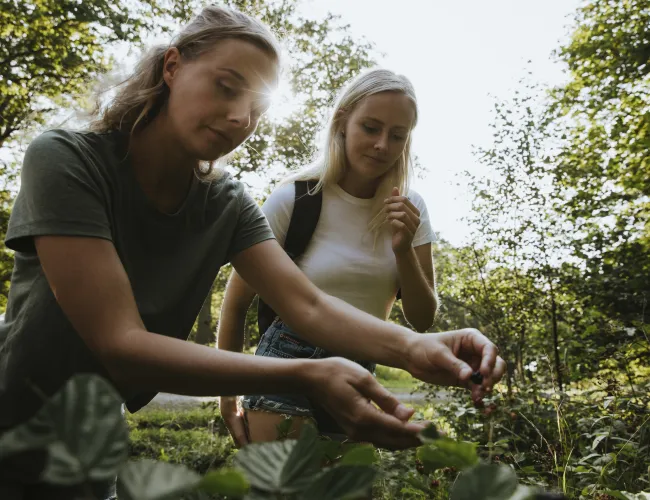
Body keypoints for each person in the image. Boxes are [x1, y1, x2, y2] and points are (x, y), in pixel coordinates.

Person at [0, 5, 504, 499]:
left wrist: (415, 347)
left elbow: (306, 304)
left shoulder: (227, 201)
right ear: (172, 67)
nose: (241, 117)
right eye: (225, 87)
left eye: (258, 109)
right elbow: (120, 343)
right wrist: (308, 372)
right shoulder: (66, 160)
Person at [217, 68, 443, 444]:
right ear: (342, 123)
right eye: (370, 127)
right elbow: (236, 302)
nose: (382, 145)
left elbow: (422, 320)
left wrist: (402, 249)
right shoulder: (294, 199)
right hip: (287, 361)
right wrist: (228, 399)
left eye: (397, 135)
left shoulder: (409, 208)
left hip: (360, 370)